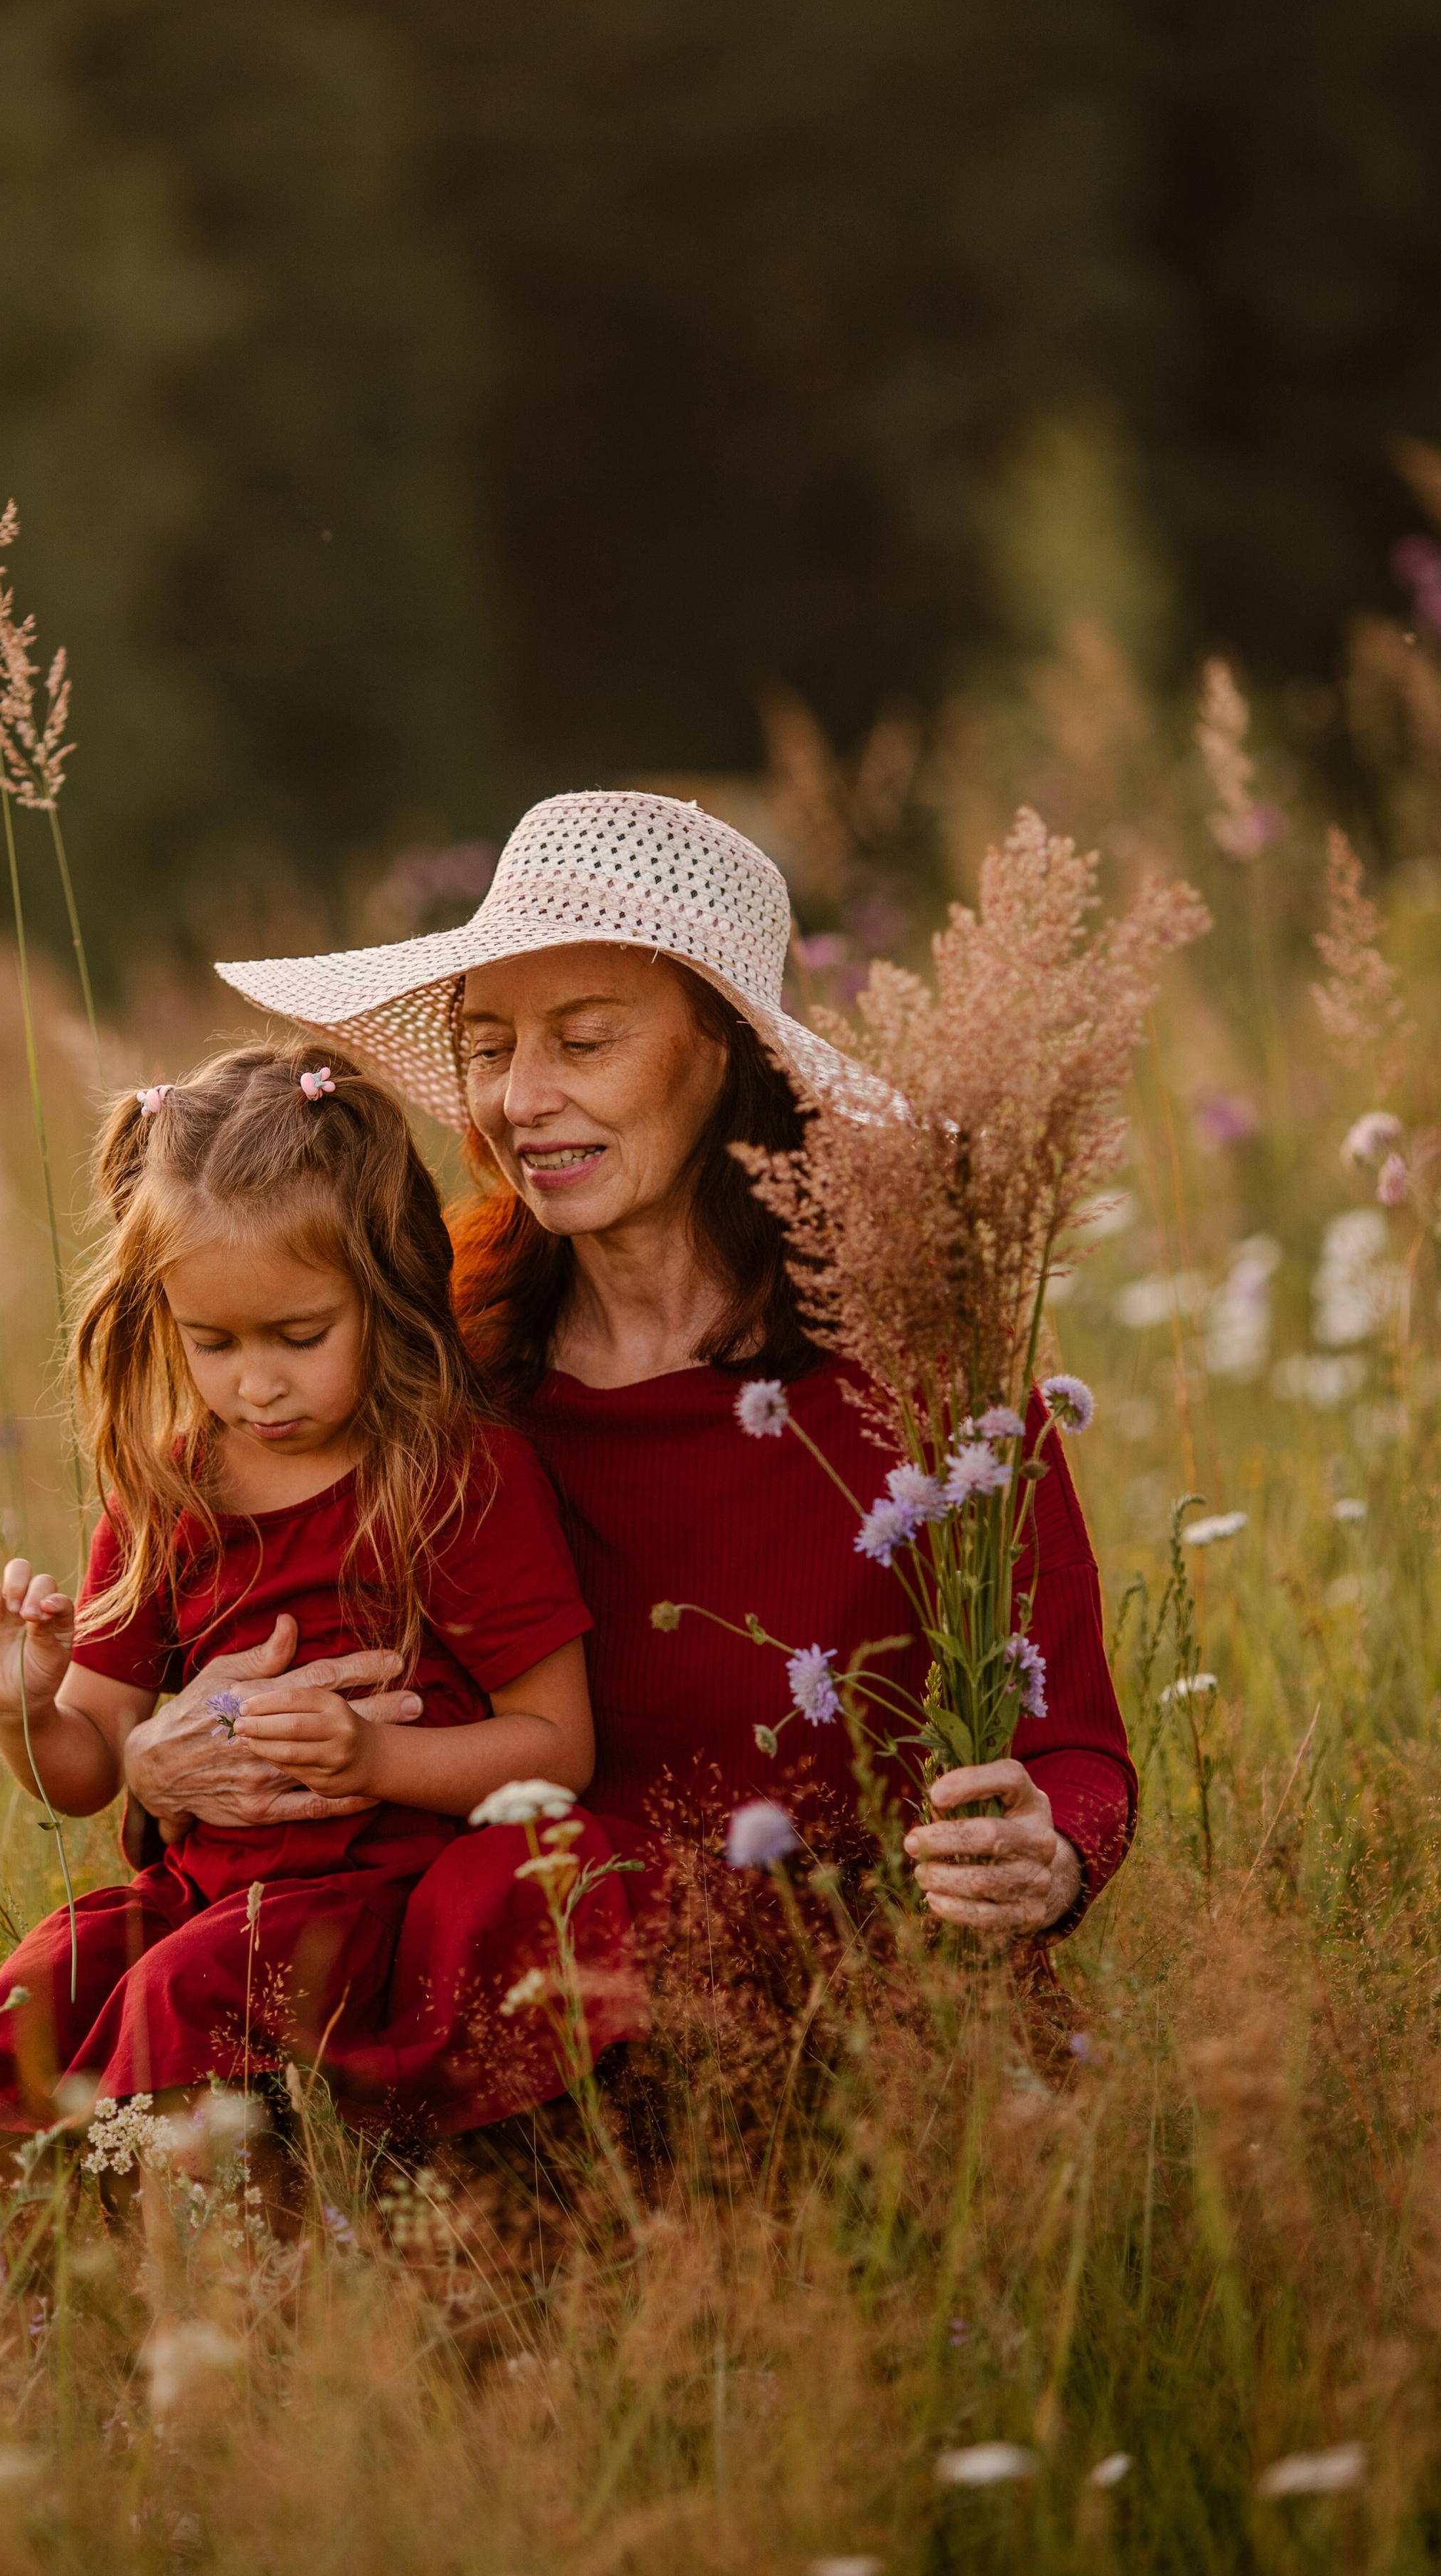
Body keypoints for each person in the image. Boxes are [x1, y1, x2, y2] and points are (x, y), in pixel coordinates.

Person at [125, 790, 1135, 2125]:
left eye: (586, 1040)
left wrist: (1048, 1853)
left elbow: (1076, 1748)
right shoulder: (440, 1351)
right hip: (498, 2031)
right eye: (488, 1047)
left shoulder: (917, 1351)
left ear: (722, 1050)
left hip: (857, 2044)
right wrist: (154, 1760)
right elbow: (260, 1637)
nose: (521, 1100)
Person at [0, 1043, 611, 2235]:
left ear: (388, 1287)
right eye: (213, 1345)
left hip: (376, 1897)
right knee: (14, 2021)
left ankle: (222, 2354)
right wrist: (23, 1710)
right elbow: (94, 1766)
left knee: (179, 1997)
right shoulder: (169, 1496)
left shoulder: (453, 1474)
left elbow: (557, 1743)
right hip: (197, 1889)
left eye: (299, 1334)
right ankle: (12, 2354)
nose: (256, 1385)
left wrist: (374, 1764)